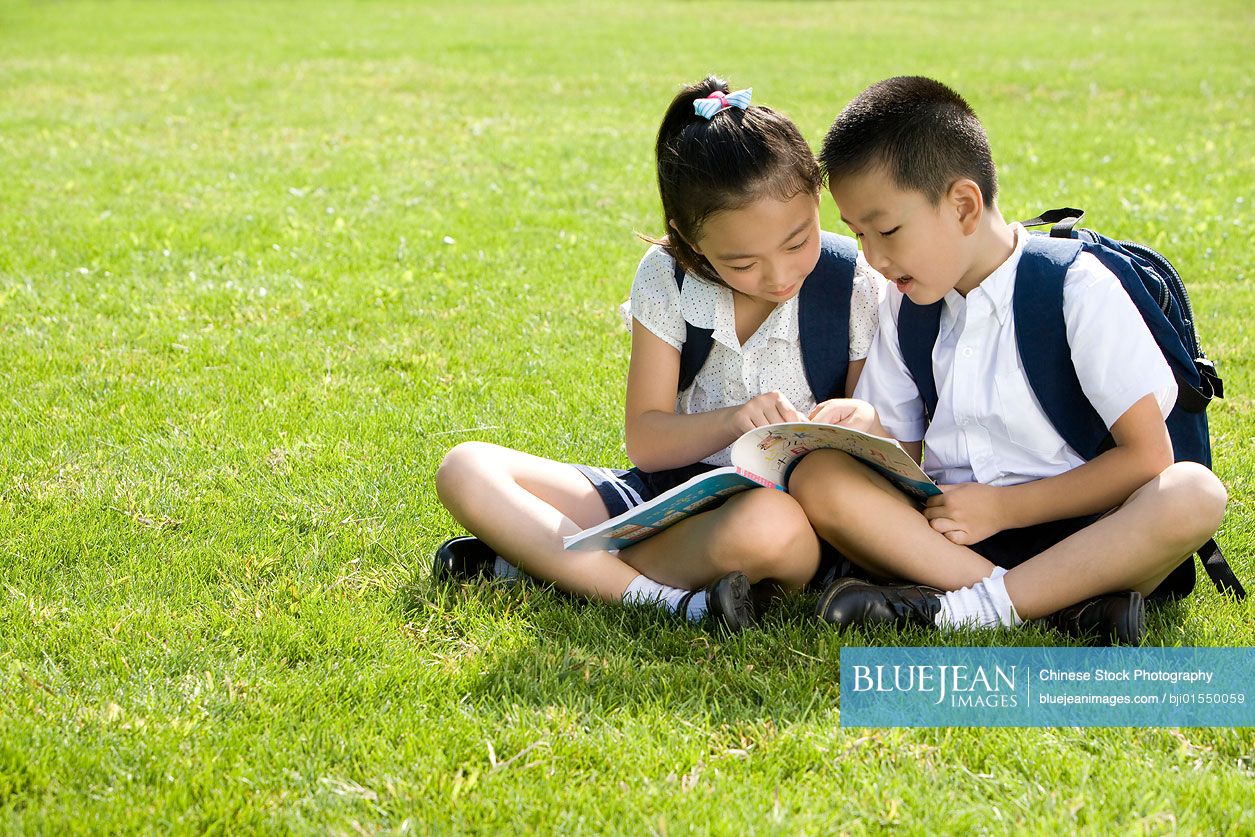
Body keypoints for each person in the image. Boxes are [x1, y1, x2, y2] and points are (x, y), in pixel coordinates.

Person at [433, 77, 884, 631]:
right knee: (466, 468)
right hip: (664, 498)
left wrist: (862, 420)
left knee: (769, 528)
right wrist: (734, 422)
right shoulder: (669, 277)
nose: (779, 273)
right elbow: (647, 441)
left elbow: (870, 449)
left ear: (818, 197)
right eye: (742, 262)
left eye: (797, 242)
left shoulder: (853, 285)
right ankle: (670, 600)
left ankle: (539, 565)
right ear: (689, 241)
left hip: (779, 516)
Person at [788, 76, 1227, 645]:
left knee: (1193, 493)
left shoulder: (1074, 289)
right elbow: (909, 465)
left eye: (888, 229)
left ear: (964, 205)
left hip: (1092, 535)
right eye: (857, 235)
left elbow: (1146, 457)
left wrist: (1004, 508)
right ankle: (1063, 608)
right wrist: (870, 432)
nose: (872, 256)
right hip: (954, 536)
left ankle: (971, 607)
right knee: (820, 477)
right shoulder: (903, 307)